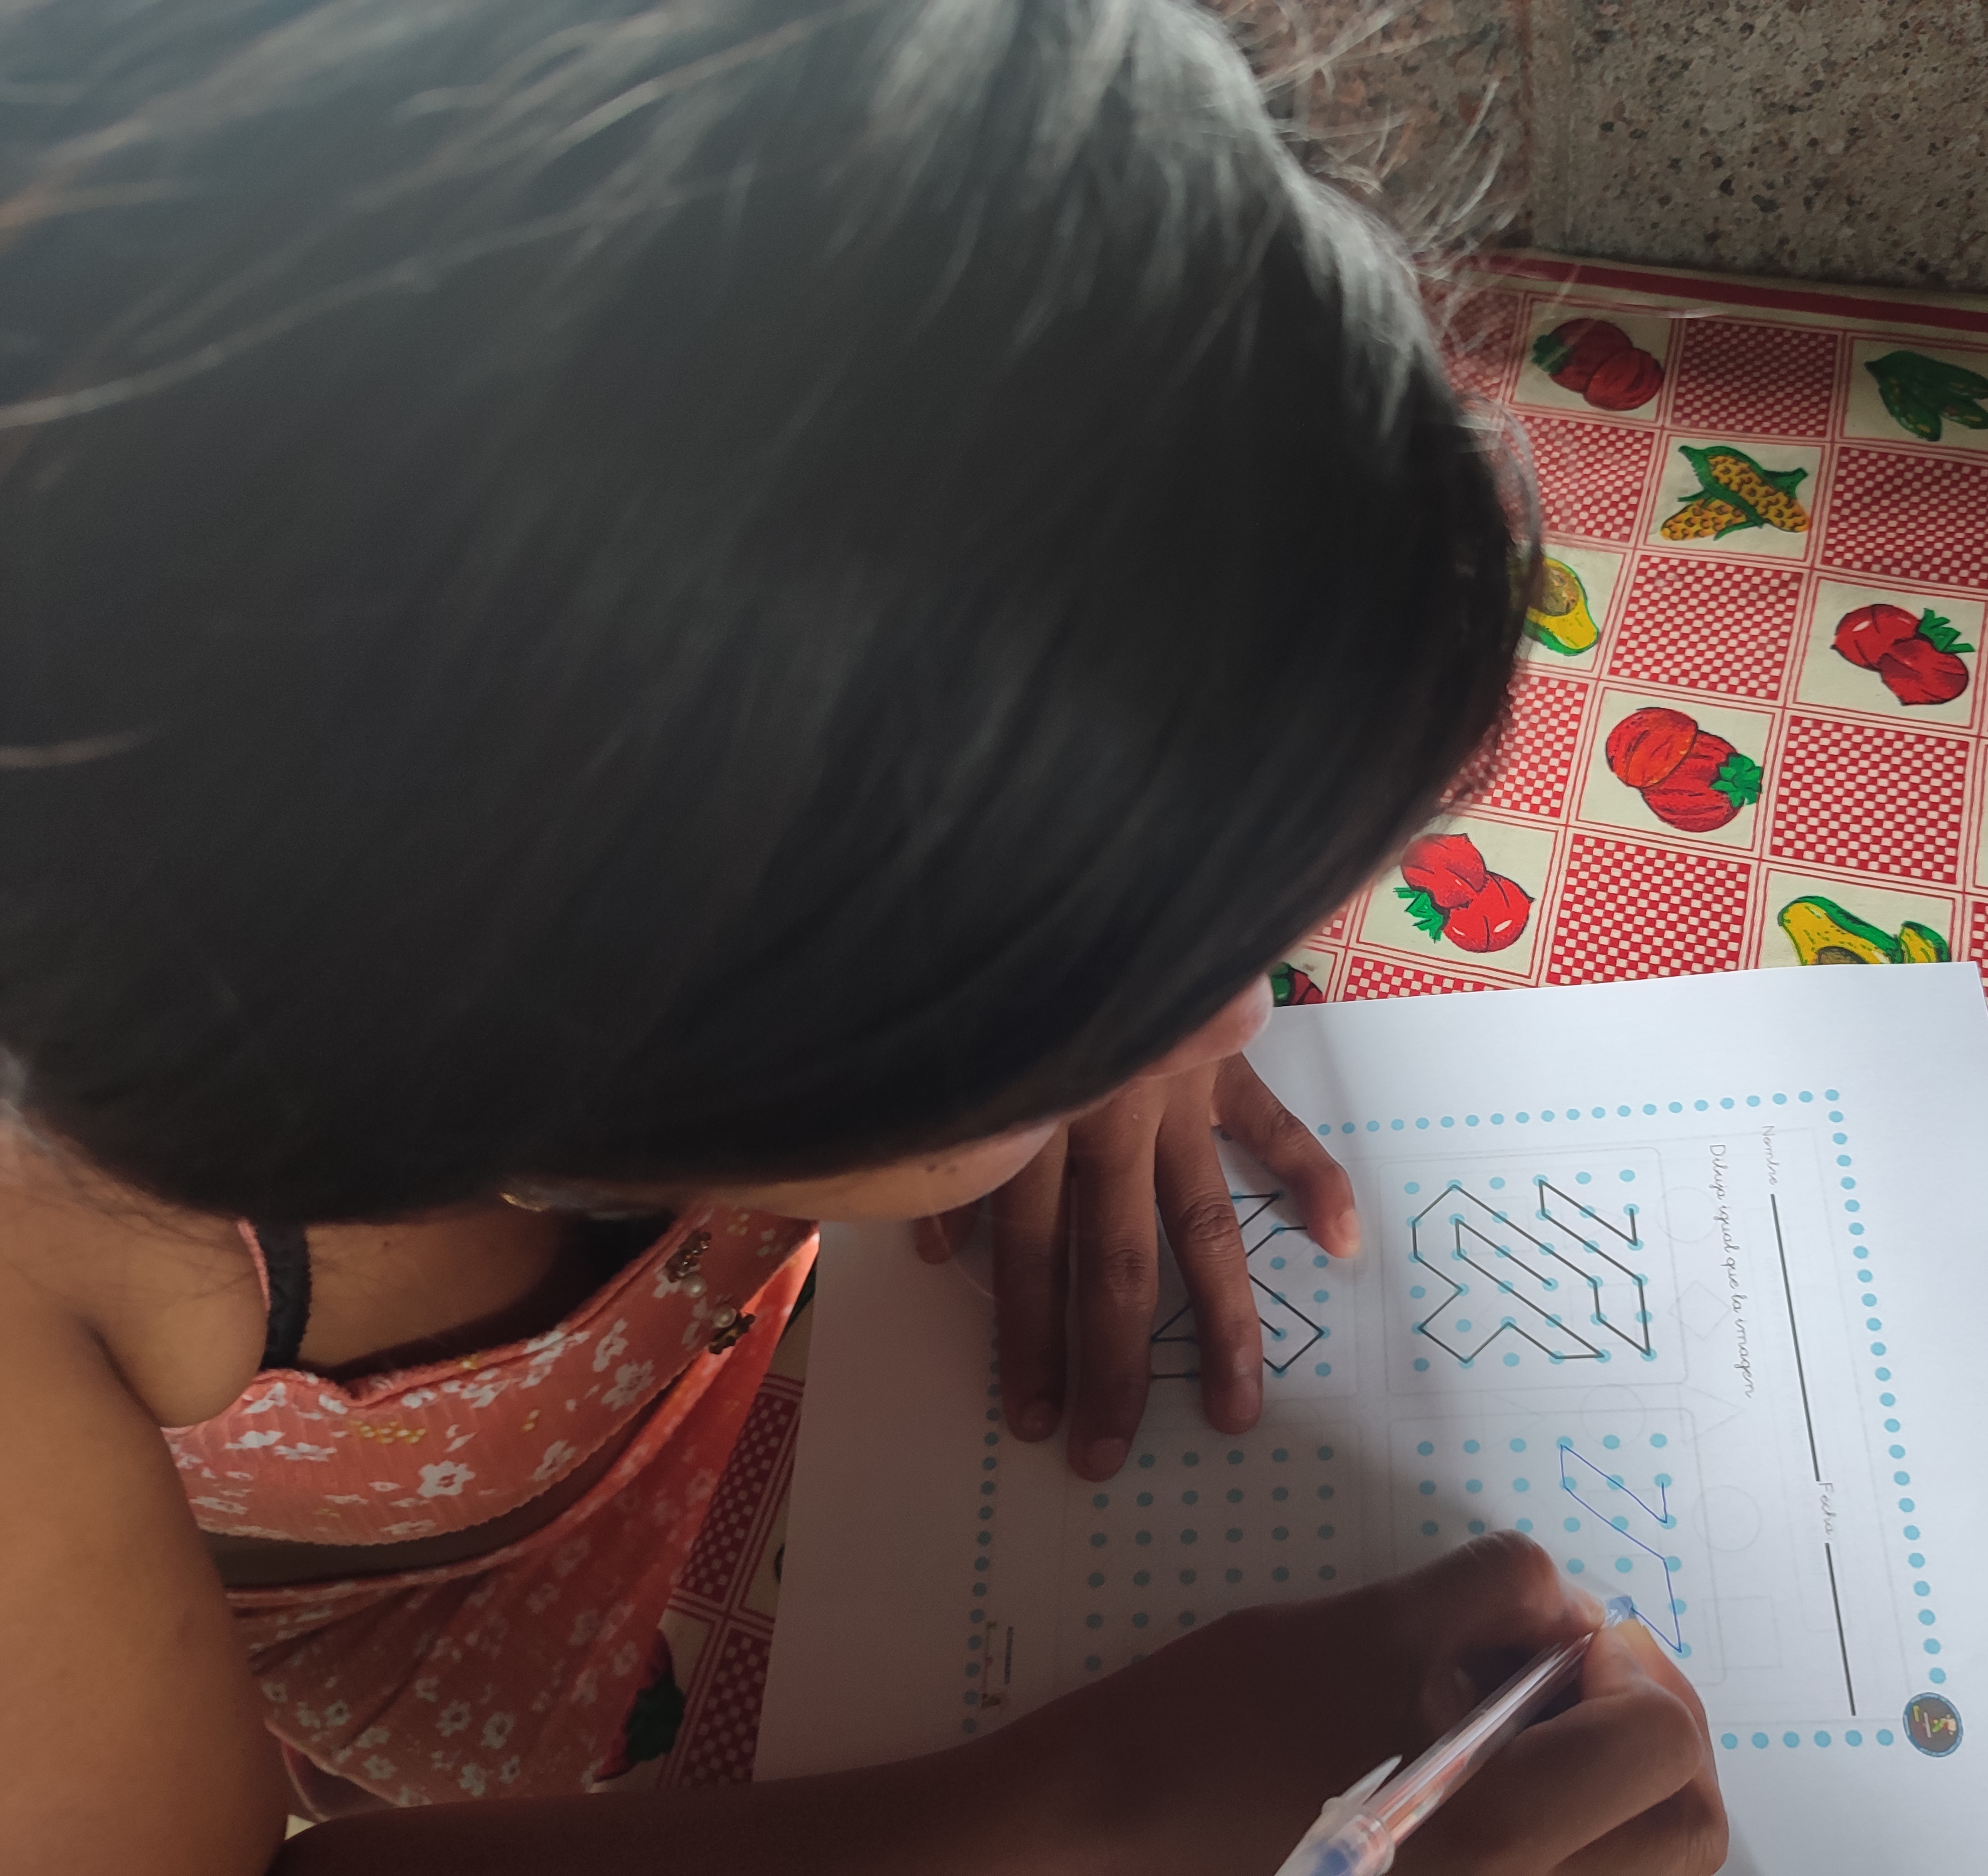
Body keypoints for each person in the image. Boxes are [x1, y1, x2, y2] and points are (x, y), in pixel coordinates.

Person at [0, 1, 1729, 1871]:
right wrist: (1099, 1804)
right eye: (1117, 983)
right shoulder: (56, 1258)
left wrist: (1089, 931)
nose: (1240, 1013)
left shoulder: (635, 780)